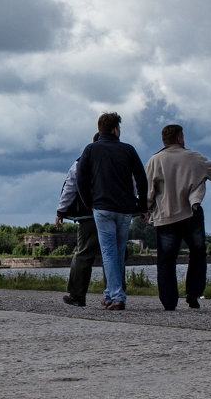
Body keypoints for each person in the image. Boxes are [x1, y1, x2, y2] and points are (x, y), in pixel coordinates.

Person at [145, 124, 211, 311]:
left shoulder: (154, 161)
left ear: (164, 140)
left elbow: (149, 192)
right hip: (191, 213)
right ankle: (193, 293)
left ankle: (169, 301)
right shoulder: (194, 157)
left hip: (165, 216)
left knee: (166, 259)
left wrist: (147, 210)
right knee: (197, 254)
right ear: (180, 138)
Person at [75, 112, 148, 310]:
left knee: (108, 253)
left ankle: (116, 295)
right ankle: (110, 293)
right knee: (118, 251)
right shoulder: (128, 150)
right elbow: (141, 179)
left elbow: (80, 179)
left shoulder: (90, 150)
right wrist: (143, 207)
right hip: (124, 209)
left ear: (100, 129)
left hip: (102, 207)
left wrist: (89, 201)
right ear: (116, 129)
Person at [57, 134, 99, 307]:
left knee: (83, 254)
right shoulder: (121, 157)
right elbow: (133, 183)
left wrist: (61, 210)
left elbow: (70, 186)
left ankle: (77, 294)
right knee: (115, 255)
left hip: (87, 214)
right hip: (116, 213)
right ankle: (116, 295)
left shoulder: (81, 161)